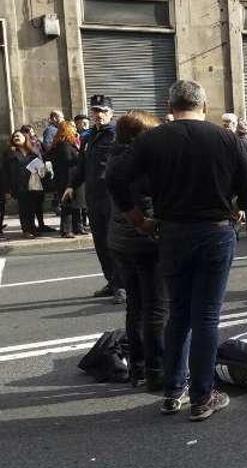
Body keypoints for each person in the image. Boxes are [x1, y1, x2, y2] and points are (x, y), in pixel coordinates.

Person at [106, 80, 247, 421]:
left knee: (178, 312)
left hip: (172, 233)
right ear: (204, 106)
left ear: (170, 105)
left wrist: (139, 220)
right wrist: (234, 207)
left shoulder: (152, 139)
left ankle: (173, 390)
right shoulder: (227, 138)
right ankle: (203, 396)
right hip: (215, 232)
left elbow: (115, 179)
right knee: (206, 315)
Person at [106, 110, 167, 391]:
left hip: (120, 241)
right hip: (144, 241)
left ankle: (138, 370)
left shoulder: (115, 157)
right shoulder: (140, 163)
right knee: (155, 308)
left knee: (135, 306)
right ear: (139, 136)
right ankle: (156, 370)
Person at [63, 95, 123, 303]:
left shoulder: (117, 135)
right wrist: (71, 185)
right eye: (96, 111)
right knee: (100, 242)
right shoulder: (88, 137)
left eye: (103, 111)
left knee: (113, 241)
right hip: (94, 197)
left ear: (111, 113)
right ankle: (112, 280)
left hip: (112, 196)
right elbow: (81, 165)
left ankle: (122, 285)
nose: (99, 115)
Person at [45, 121, 82, 238]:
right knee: (68, 205)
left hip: (66, 179)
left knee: (74, 205)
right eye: (73, 127)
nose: (75, 129)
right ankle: (66, 230)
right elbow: (68, 164)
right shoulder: (65, 145)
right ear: (67, 130)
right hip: (66, 179)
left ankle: (76, 228)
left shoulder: (65, 144)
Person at [5, 130, 44, 238]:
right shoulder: (11, 153)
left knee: (32, 207)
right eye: (14, 137)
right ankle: (26, 229)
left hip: (33, 184)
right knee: (23, 208)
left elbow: (41, 166)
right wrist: (7, 189)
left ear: (25, 137)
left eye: (18, 136)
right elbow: (6, 172)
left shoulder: (33, 152)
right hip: (19, 185)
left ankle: (33, 227)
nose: (16, 138)